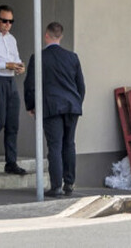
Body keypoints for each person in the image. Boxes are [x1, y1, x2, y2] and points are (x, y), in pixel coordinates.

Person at [25, 21, 86, 198]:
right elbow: (81, 86)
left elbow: (30, 85)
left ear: (46, 35)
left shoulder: (38, 57)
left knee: (55, 146)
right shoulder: (72, 57)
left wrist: (31, 106)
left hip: (51, 107)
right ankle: (69, 183)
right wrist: (77, 103)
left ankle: (56, 186)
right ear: (61, 36)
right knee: (69, 144)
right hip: (72, 106)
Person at [0, 4, 26, 175]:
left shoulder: (11, 39)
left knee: (13, 123)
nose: (8, 24)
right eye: (4, 21)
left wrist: (19, 66)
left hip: (10, 80)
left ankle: (11, 162)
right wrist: (5, 65)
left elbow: (16, 58)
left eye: (11, 21)